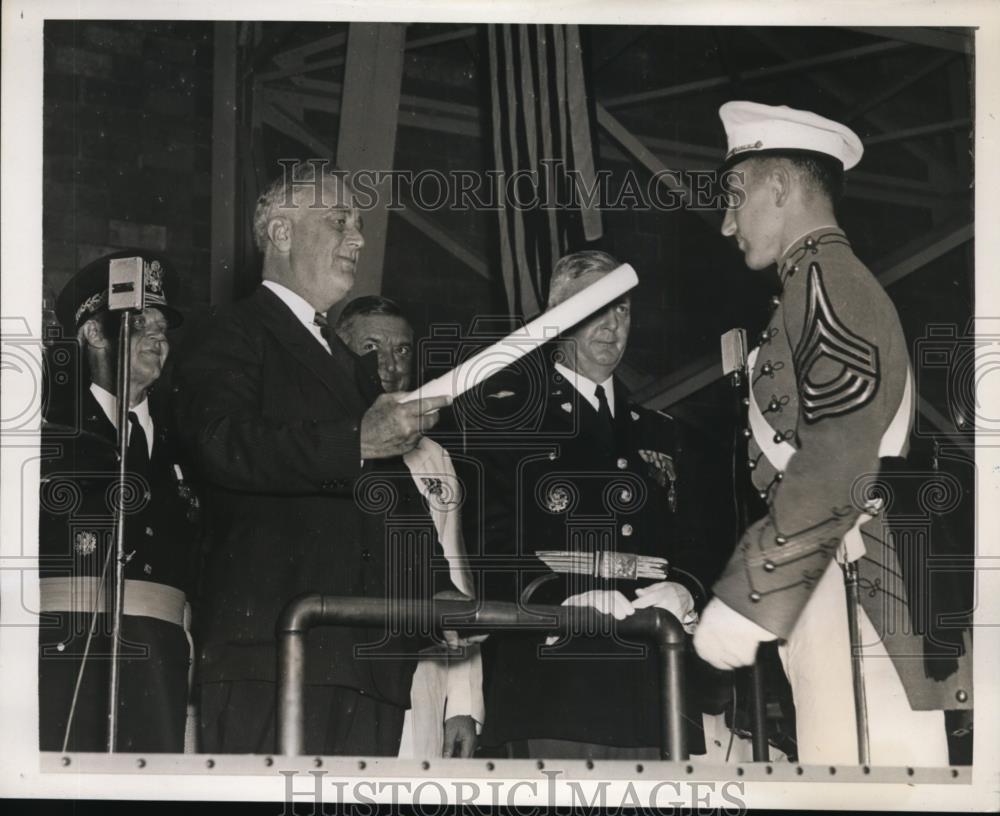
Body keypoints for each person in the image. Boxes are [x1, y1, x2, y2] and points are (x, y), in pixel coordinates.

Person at [692, 100, 973, 765]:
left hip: (857, 586)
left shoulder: (826, 282)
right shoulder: (810, 284)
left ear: (779, 186)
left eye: (734, 197)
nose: (727, 222)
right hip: (832, 579)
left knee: (864, 779)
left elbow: (840, 451)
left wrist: (753, 594)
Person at [172, 164, 450, 756]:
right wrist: (354, 442)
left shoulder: (346, 363)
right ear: (281, 232)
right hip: (274, 656)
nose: (358, 238)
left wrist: (441, 591)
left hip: (370, 667)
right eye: (339, 220)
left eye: (359, 224)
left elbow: (392, 497)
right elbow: (222, 442)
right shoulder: (230, 330)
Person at [472, 250, 713, 759]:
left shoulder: (660, 432)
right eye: (595, 306)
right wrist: (562, 599)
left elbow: (698, 541)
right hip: (557, 682)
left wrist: (687, 590)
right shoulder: (508, 423)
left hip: (654, 684)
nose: (611, 323)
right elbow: (487, 548)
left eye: (622, 308)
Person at [39, 250, 199, 752]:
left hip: (160, 659)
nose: (158, 338)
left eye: (163, 329)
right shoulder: (48, 433)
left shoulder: (186, 440)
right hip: (68, 653)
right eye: (140, 323)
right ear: (93, 333)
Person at [335, 295, 483, 758]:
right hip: (342, 666)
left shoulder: (433, 456)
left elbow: (454, 573)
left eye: (401, 350)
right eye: (372, 347)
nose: (390, 364)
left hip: (422, 673)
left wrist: (463, 702)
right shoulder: (321, 444)